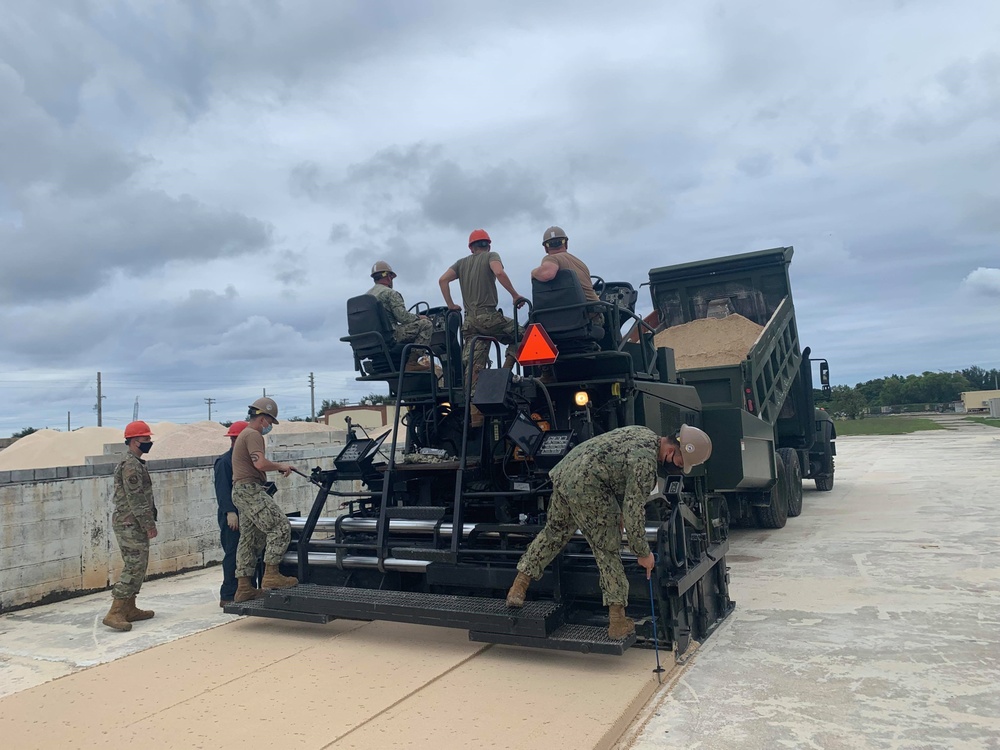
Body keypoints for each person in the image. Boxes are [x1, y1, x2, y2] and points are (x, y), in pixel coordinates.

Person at [505, 424, 713, 639]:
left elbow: (616, 467)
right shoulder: (646, 463)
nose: (677, 468)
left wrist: (619, 508)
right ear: (671, 451)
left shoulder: (643, 432)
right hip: (590, 486)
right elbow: (634, 514)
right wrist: (643, 553)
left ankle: (518, 588)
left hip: (566, 473)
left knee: (553, 532)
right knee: (607, 549)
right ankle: (617, 621)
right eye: (679, 464)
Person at [438, 229, 527, 425]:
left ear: (471, 247)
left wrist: (451, 305)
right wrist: (514, 295)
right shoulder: (491, 256)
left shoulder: (461, 264)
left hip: (469, 322)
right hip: (489, 317)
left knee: (474, 366)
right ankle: (504, 373)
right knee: (525, 336)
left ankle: (475, 416)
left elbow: (442, 280)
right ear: (488, 245)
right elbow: (499, 271)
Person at [230, 397, 300, 602]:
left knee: (250, 539)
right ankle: (271, 575)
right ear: (262, 418)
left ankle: (244, 587)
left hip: (241, 490)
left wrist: (276, 468)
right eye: (270, 422)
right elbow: (259, 463)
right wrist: (281, 466)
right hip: (250, 490)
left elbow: (255, 465)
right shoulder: (253, 434)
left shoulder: (245, 434)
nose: (270, 426)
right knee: (279, 526)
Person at [103, 420, 159, 632]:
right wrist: (148, 524)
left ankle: (129, 607)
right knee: (134, 565)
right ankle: (115, 611)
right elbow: (136, 498)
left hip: (132, 523)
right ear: (135, 441)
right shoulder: (131, 466)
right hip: (130, 523)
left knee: (139, 564)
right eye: (146, 440)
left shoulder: (135, 463)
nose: (149, 443)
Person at [530, 226, 604, 326]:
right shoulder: (580, 264)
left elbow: (547, 274)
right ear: (566, 243)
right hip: (591, 317)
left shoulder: (551, 258)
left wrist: (533, 272)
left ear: (546, 248)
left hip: (558, 320)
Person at [367, 260, 433, 372]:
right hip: (391, 336)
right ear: (388, 277)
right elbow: (403, 317)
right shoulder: (390, 293)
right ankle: (412, 363)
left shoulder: (367, 296)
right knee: (426, 325)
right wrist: (420, 317)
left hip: (374, 339)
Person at [214, 420, 251, 607]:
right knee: (233, 553)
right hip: (233, 516)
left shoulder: (244, 462)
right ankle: (227, 594)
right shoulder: (224, 462)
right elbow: (222, 490)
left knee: (245, 553)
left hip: (247, 514)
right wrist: (230, 512)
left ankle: (244, 589)